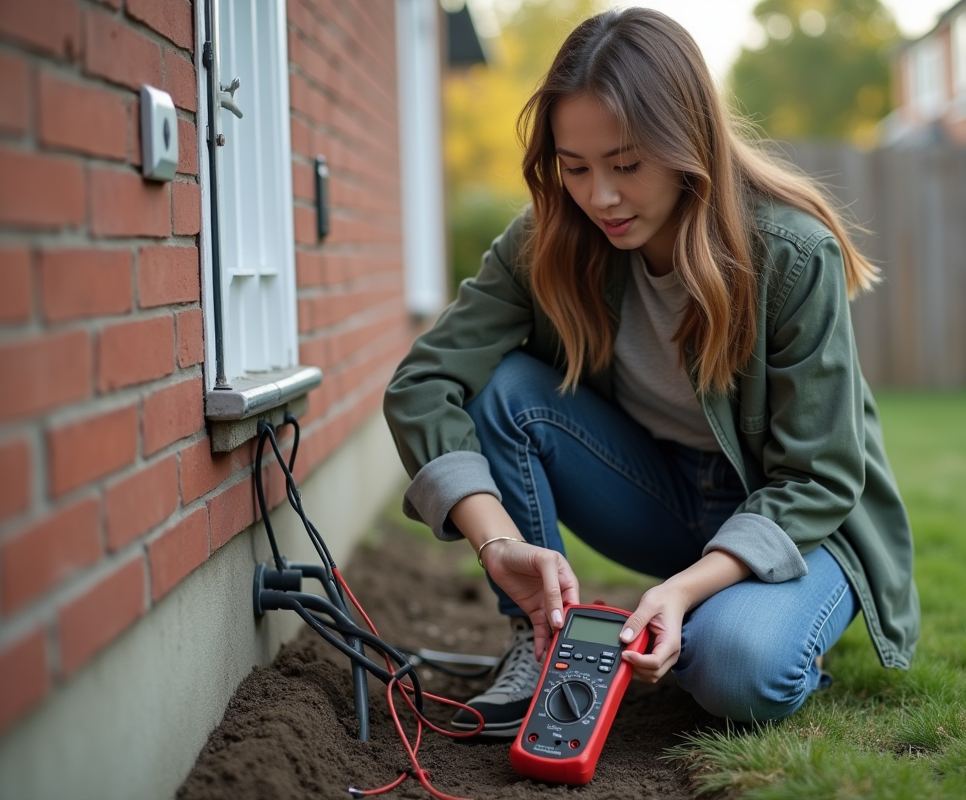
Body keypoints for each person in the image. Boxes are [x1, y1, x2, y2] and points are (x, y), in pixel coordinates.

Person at [384, 7, 918, 736]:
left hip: (796, 520)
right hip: (658, 495)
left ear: (685, 143)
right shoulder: (545, 243)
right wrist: (495, 540)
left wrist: (686, 590)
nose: (599, 196)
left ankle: (748, 626)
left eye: (626, 165)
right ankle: (536, 638)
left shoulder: (790, 255)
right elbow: (423, 383)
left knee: (732, 666)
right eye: (575, 168)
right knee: (507, 387)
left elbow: (818, 478)